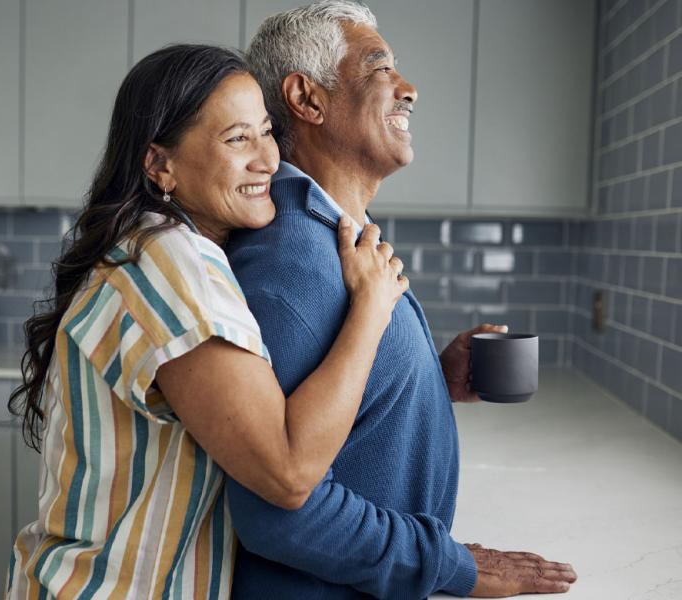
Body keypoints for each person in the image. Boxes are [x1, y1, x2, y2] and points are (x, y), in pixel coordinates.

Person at [5, 44, 410, 599]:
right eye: (236, 138)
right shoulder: (172, 265)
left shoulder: (161, 249)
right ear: (160, 164)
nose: (267, 159)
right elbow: (288, 473)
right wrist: (371, 308)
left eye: (267, 131)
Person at [224, 2, 579, 598]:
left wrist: (432, 381)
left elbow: (334, 418)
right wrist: (452, 566)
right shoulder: (294, 261)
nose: (408, 89)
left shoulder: (334, 235)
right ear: (308, 100)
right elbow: (279, 514)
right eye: (379, 69)